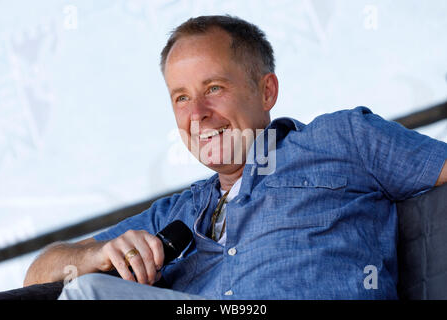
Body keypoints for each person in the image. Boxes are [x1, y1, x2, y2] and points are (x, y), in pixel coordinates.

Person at [23, 15, 447, 300]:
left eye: (213, 89)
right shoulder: (176, 212)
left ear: (266, 92)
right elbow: (38, 275)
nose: (197, 115)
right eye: (181, 98)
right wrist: (94, 257)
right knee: (86, 290)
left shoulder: (341, 139)